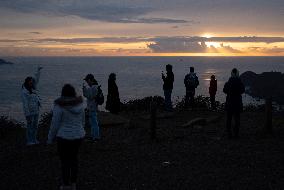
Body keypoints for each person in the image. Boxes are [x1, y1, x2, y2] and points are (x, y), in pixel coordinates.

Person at [47, 84, 85, 190]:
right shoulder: (80, 104)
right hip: (78, 136)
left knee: (65, 161)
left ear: (63, 93)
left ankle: (65, 185)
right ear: (73, 93)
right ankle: (73, 184)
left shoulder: (59, 105)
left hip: (64, 137)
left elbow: (55, 123)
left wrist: (50, 138)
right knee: (74, 159)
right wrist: (82, 130)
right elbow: (83, 120)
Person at [21, 66, 42, 145]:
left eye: (31, 81)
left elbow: (36, 79)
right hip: (30, 112)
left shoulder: (33, 88)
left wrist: (38, 71)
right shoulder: (24, 92)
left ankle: (34, 139)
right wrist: (27, 114)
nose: (31, 82)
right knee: (30, 127)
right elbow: (25, 104)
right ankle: (29, 141)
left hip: (36, 110)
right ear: (27, 82)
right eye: (30, 81)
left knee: (35, 126)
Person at [223, 68, 245, 139]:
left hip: (229, 103)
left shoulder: (228, 83)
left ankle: (229, 134)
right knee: (237, 119)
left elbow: (224, 90)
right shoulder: (240, 83)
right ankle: (236, 134)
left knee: (229, 119)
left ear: (231, 74)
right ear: (237, 74)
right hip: (237, 103)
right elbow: (242, 90)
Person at [83, 74, 100, 141]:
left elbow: (89, 96)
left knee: (94, 123)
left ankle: (95, 137)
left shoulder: (93, 87)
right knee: (93, 122)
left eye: (87, 80)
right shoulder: (95, 87)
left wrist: (84, 89)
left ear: (90, 80)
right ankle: (94, 136)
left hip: (92, 107)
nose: (87, 82)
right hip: (93, 107)